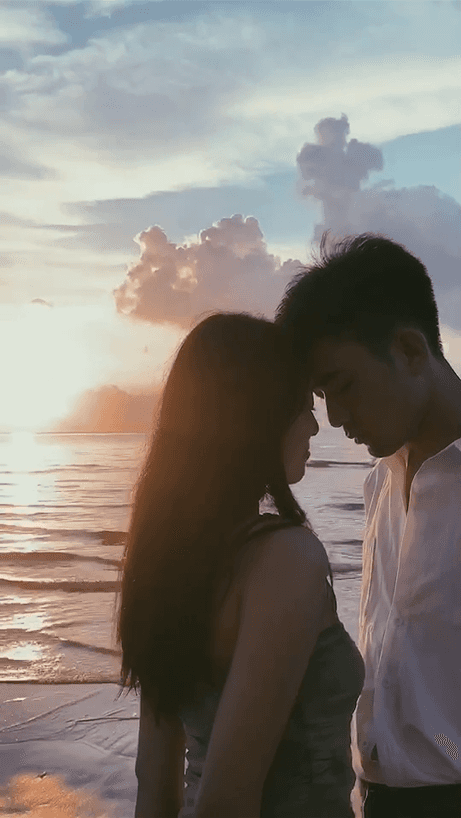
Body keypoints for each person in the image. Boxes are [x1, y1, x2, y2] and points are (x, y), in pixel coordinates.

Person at [116, 312, 365, 818]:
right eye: (302, 406)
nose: (315, 424)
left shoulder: (171, 565)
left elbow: (155, 786)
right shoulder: (287, 559)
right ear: (257, 418)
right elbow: (227, 801)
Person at [276, 232, 461, 818]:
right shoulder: (380, 480)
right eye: (321, 395)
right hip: (374, 796)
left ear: (409, 349)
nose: (334, 417)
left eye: (344, 385)